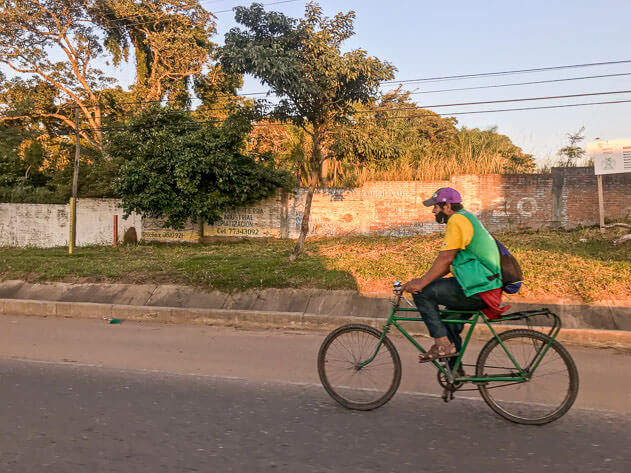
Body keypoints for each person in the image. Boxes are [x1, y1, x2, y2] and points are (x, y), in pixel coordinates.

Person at [402, 187, 508, 363]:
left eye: (436, 206)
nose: (434, 210)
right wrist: (421, 279)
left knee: (423, 293)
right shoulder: (467, 217)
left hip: (479, 289)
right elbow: (445, 267)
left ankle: (442, 345)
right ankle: (454, 375)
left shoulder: (457, 220)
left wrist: (420, 284)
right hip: (484, 287)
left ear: (448, 206)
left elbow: (445, 259)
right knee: (448, 323)